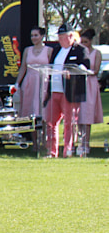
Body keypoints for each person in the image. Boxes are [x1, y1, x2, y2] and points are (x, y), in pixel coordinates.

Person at [44, 26, 89, 158]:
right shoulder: (56, 50)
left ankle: (67, 151)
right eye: (59, 36)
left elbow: (85, 67)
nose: (60, 39)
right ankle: (52, 151)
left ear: (71, 36)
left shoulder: (80, 50)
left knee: (69, 122)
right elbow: (50, 68)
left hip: (70, 91)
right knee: (51, 121)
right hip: (54, 90)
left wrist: (73, 72)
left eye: (62, 36)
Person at [13, 27, 50, 119]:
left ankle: (43, 131)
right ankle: (31, 132)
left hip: (43, 81)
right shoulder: (27, 50)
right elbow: (23, 68)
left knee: (41, 108)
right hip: (29, 81)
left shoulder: (48, 50)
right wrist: (17, 83)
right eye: (32, 36)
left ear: (42, 36)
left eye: (36, 35)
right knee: (28, 108)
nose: (33, 38)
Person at [77, 29, 103, 156]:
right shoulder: (79, 52)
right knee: (78, 114)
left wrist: (86, 71)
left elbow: (96, 70)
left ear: (91, 41)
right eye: (82, 42)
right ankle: (79, 142)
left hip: (90, 84)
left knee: (87, 114)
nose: (84, 44)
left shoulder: (96, 53)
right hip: (79, 83)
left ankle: (86, 144)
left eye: (86, 42)